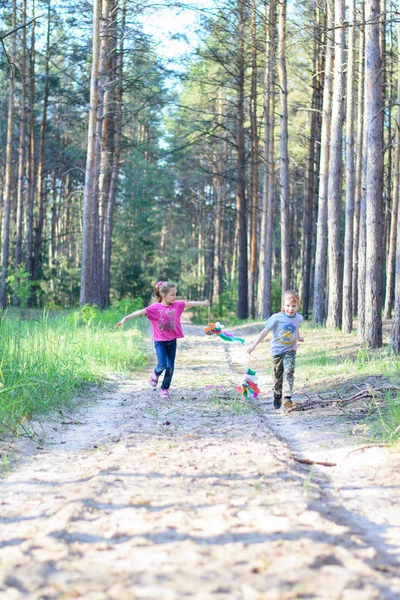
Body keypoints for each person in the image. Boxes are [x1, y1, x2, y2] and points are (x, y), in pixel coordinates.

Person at [115, 281, 209, 399]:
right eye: (173, 295)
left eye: (175, 294)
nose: (175, 297)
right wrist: (125, 318)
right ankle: (155, 373)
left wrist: (203, 303)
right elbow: (139, 312)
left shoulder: (177, 305)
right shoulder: (154, 308)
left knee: (170, 367)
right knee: (162, 365)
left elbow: (190, 303)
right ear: (164, 296)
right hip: (160, 342)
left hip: (172, 341)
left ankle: (164, 389)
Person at [247, 290, 304, 409]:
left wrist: (299, 337)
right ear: (283, 305)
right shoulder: (276, 318)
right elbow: (264, 331)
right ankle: (277, 395)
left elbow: (296, 327)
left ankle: (287, 397)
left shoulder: (299, 318)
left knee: (289, 371)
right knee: (277, 377)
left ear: (298, 306)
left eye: (294, 306)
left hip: (290, 350)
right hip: (276, 352)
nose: (290, 309)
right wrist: (254, 345)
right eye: (288, 306)